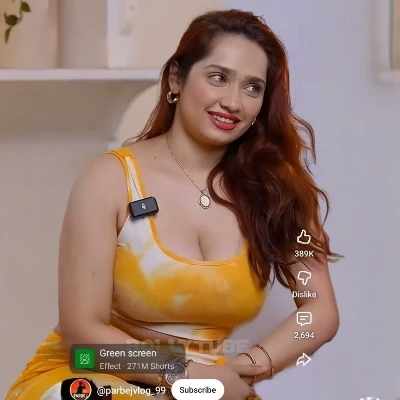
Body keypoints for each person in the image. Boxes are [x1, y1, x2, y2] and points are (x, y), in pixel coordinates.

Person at [6, 8, 341, 400]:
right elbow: (82, 340)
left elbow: (319, 312)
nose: (233, 102)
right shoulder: (110, 179)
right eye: (218, 78)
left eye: (253, 88)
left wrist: (246, 368)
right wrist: (188, 376)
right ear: (176, 79)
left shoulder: (278, 191)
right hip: (91, 378)